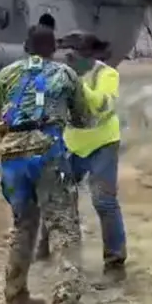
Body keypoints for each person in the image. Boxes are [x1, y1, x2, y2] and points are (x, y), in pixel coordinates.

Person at [0, 25, 96, 304]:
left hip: (10, 155)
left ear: (25, 46)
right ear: (54, 48)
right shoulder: (64, 74)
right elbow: (84, 118)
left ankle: (15, 295)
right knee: (64, 228)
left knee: (23, 224)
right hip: (48, 152)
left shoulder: (7, 73)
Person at [36, 32, 127, 282]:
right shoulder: (58, 74)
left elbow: (100, 106)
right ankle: (44, 248)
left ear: (85, 56)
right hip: (71, 144)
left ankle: (115, 262)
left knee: (104, 201)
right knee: (57, 196)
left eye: (70, 56)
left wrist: (77, 82)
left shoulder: (106, 75)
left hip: (103, 144)